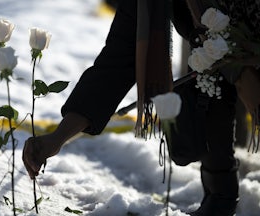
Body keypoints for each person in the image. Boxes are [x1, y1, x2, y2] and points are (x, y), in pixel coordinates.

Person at [23, 0, 260, 215]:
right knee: (207, 76)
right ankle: (220, 193)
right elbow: (116, 63)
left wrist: (244, 73)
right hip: (223, 55)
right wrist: (58, 137)